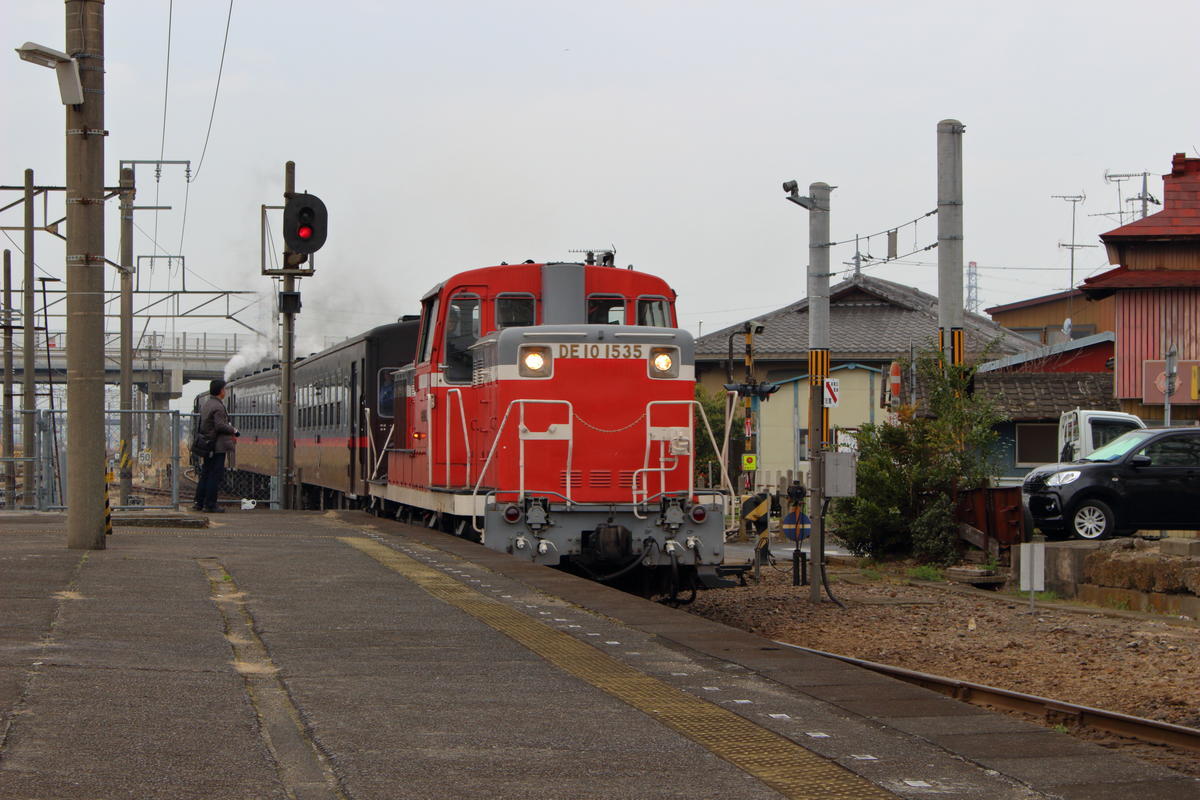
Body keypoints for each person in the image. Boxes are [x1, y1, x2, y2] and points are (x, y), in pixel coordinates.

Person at [192, 378, 239, 513]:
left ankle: (199, 502)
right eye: (224, 389)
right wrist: (234, 430)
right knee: (214, 475)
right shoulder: (218, 406)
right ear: (220, 391)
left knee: (206, 473)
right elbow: (219, 425)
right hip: (217, 446)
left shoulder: (207, 404)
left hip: (208, 444)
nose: (225, 391)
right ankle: (211, 504)